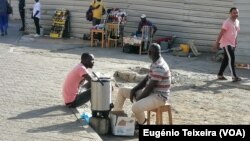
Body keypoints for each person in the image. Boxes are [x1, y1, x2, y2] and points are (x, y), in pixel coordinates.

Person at [113, 43, 171, 127]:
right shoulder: (155, 62)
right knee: (122, 91)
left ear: (150, 53)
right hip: (151, 93)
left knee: (135, 107)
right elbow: (146, 79)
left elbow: (149, 88)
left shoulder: (159, 67)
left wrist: (139, 99)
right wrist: (134, 89)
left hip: (159, 97)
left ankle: (142, 122)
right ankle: (116, 115)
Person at [213, 7, 241, 82]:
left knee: (226, 59)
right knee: (232, 59)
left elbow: (236, 32)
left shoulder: (237, 21)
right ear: (230, 13)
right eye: (234, 13)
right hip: (226, 43)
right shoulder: (227, 22)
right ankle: (234, 76)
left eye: (237, 13)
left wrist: (236, 41)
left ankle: (220, 75)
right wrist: (217, 43)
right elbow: (221, 33)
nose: (236, 14)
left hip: (232, 43)